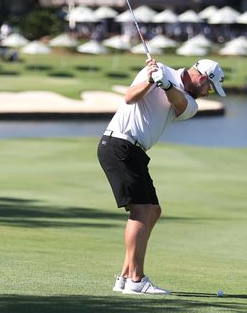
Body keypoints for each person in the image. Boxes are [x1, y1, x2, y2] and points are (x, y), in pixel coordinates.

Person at [97, 57, 226, 295]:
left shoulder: (190, 101)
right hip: (119, 145)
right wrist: (149, 80)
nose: (208, 93)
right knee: (141, 211)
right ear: (202, 77)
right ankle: (136, 280)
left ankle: (125, 276)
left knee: (153, 211)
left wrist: (165, 85)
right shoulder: (157, 70)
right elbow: (129, 97)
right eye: (210, 87)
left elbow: (178, 103)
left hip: (134, 151)